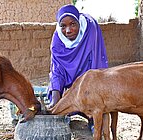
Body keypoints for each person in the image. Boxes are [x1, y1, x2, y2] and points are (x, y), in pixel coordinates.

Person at [47, 4, 109, 132]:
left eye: (73, 24)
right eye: (63, 26)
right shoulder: (57, 40)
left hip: (88, 73)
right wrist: (56, 103)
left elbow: (95, 64)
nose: (68, 30)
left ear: (79, 22)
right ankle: (66, 115)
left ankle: (93, 120)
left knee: (92, 99)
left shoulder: (90, 30)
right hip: (69, 82)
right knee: (62, 103)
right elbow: (57, 71)